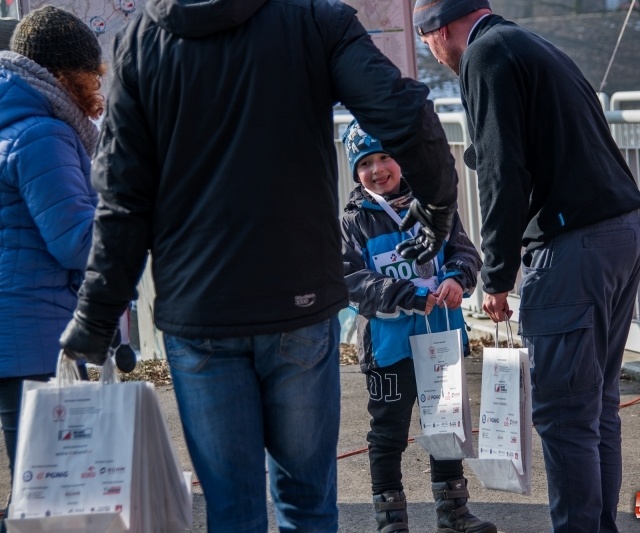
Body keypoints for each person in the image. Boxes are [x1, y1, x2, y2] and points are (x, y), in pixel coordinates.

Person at [57, 0, 460, 531]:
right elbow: (403, 111)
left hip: (198, 311)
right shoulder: (313, 20)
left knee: (232, 509)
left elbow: (123, 196)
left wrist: (97, 315)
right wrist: (435, 208)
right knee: (307, 503)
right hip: (298, 300)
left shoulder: (142, 42)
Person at [412, 1, 640, 532]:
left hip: (575, 246)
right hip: (621, 231)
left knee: (565, 414)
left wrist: (496, 276)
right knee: (595, 406)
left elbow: (501, 171)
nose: (435, 55)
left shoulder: (485, 55)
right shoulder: (533, 45)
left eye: (428, 44)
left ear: (442, 30)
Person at [340, 121, 494, 533]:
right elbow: (348, 280)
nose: (378, 169)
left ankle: (454, 513)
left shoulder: (434, 206)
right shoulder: (353, 221)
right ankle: (391, 519)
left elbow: (464, 251)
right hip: (388, 349)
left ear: (401, 159)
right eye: (365, 162)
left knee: (446, 426)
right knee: (388, 432)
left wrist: (456, 278)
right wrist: (402, 292)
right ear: (355, 171)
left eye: (385, 157)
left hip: (440, 338)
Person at [0, 4, 105, 528]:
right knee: (46, 498)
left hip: (16, 330)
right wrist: (135, 217)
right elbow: (76, 241)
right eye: (94, 72)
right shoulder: (42, 132)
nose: (97, 88)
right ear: (67, 73)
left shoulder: (9, 121)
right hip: (35, 332)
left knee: (31, 491)